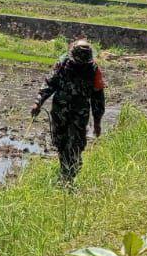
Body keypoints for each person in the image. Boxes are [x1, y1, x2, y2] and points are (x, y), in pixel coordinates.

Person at [31, 38, 105, 182]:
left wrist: (97, 122)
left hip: (80, 113)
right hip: (60, 111)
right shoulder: (63, 64)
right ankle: (65, 170)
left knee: (76, 143)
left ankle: (71, 173)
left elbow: (98, 98)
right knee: (60, 142)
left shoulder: (94, 70)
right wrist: (38, 102)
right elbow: (49, 84)